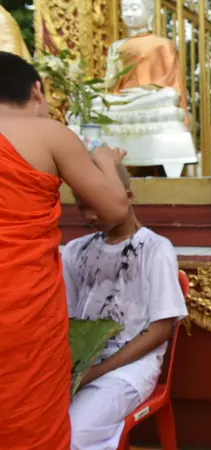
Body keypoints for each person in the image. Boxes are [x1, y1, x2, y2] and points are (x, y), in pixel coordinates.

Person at [0, 51, 130, 450]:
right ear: (36, 90)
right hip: (20, 315)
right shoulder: (47, 133)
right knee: (29, 425)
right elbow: (113, 208)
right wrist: (105, 161)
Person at [62, 162, 188, 450]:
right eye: (81, 206)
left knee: (74, 435)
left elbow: (160, 329)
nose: (89, 216)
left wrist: (96, 372)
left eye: (96, 204)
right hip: (77, 367)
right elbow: (67, 320)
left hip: (129, 370)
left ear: (128, 197)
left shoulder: (155, 249)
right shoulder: (74, 251)